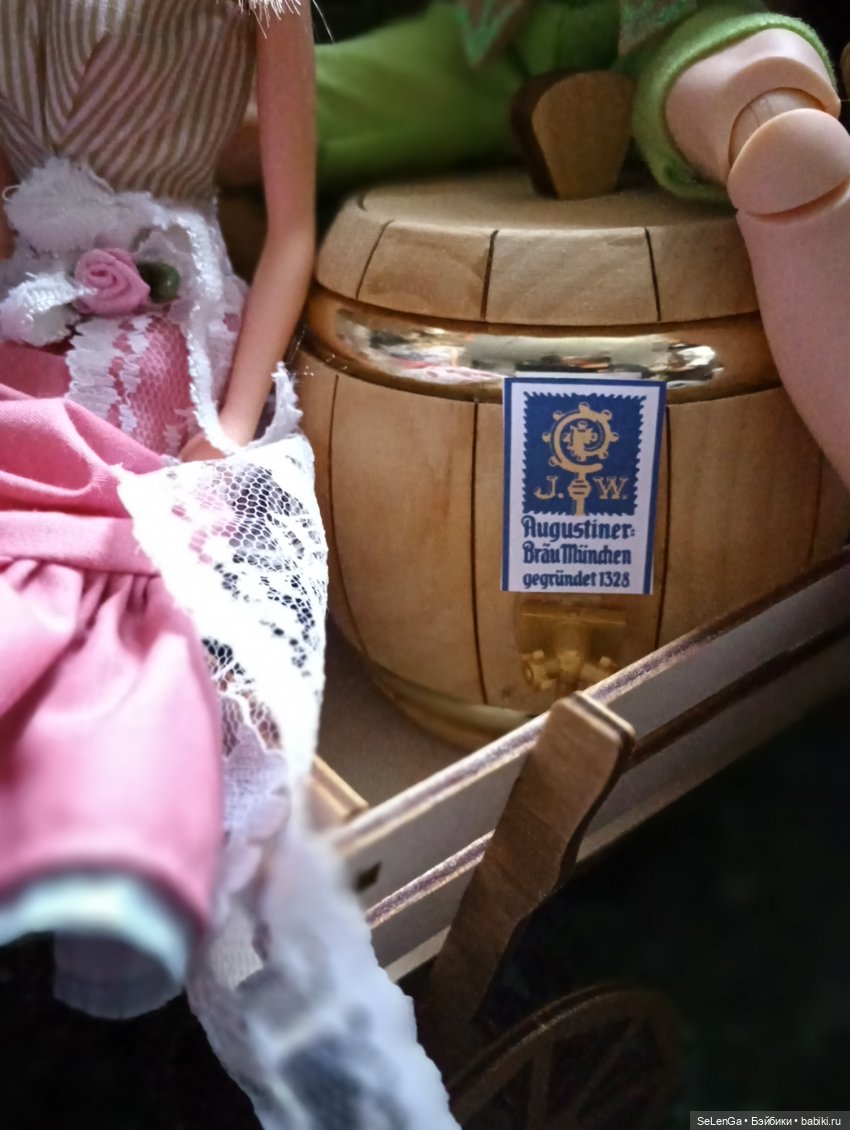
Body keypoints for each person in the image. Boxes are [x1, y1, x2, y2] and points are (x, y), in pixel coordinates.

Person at [0, 1, 457, 1125]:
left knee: (156, 594)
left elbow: (290, 230)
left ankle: (119, 832)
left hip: (179, 338)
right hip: (24, 328)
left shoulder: (255, 14)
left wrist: (233, 419)